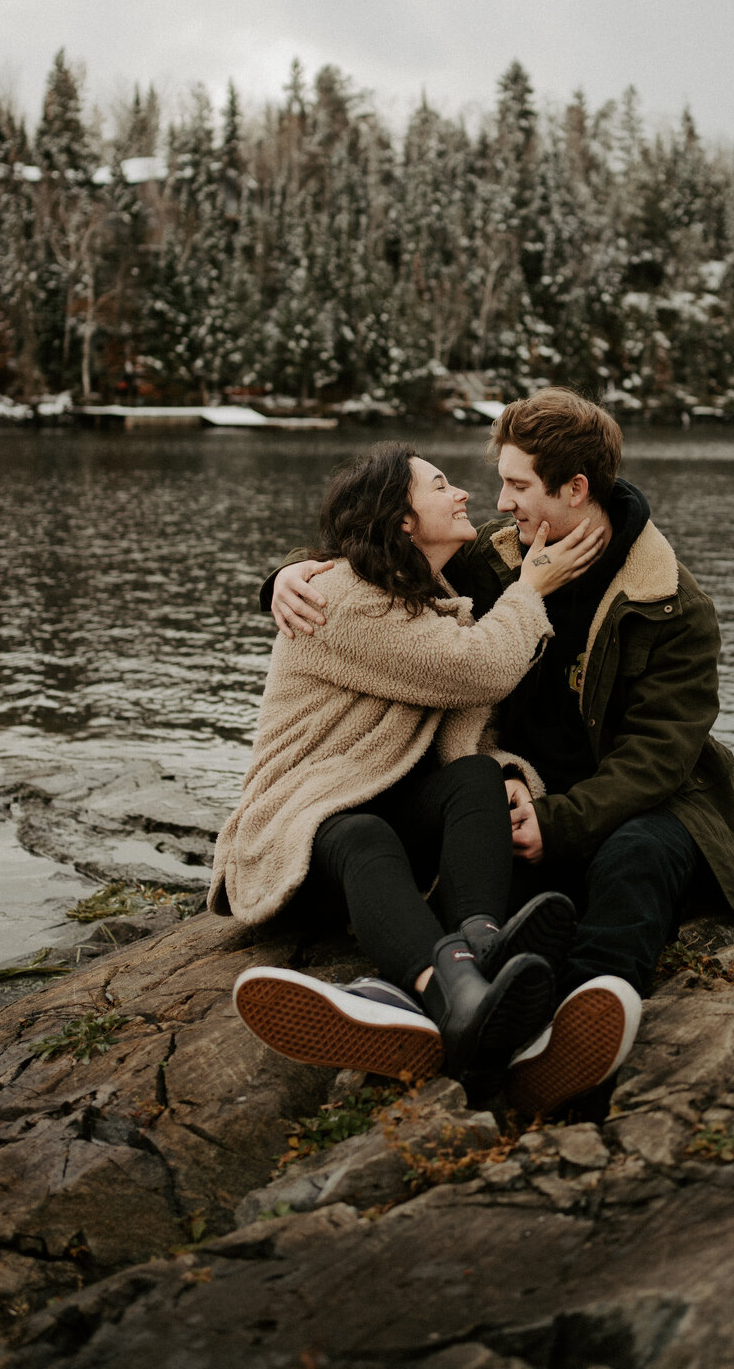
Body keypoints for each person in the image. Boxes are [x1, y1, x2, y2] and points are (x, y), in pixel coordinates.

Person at [268, 389, 734, 1114]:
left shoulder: (671, 604)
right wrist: (287, 575)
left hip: (637, 802)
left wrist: (561, 820)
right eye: (499, 481)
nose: (499, 503)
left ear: (575, 489)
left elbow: (661, 756)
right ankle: (466, 1001)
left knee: (633, 860)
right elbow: (380, 555)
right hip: (514, 792)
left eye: (517, 485)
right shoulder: (492, 562)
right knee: (472, 853)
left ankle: (568, 1037)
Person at [211, 440, 604, 1088]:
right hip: (296, 837)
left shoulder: (419, 593)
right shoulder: (345, 597)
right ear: (402, 520)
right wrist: (531, 589)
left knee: (479, 777)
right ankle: (451, 992)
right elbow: (480, 666)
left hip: (374, 818)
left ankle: (479, 950)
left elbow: (458, 730)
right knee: (357, 830)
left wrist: (512, 782)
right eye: (442, 485)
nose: (464, 494)